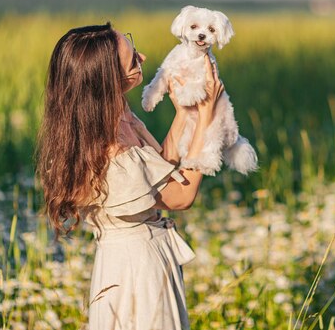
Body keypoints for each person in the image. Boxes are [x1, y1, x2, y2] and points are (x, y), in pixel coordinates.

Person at [34, 22, 224, 329]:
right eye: (132, 57)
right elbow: (180, 196)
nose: (143, 57)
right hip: (136, 269)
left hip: (141, 257)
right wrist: (207, 116)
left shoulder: (115, 115)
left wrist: (186, 114)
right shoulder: (106, 150)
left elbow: (158, 173)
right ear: (106, 77)